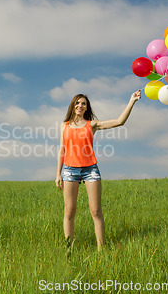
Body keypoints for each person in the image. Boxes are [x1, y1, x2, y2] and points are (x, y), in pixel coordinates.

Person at [55, 90, 141, 255]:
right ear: (72, 106)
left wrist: (132, 101)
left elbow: (119, 122)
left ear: (87, 108)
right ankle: (68, 249)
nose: (80, 105)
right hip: (69, 170)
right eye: (77, 103)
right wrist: (58, 173)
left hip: (90, 170)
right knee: (69, 210)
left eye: (84, 103)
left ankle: (102, 250)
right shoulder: (64, 126)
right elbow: (62, 149)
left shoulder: (92, 125)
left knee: (95, 211)